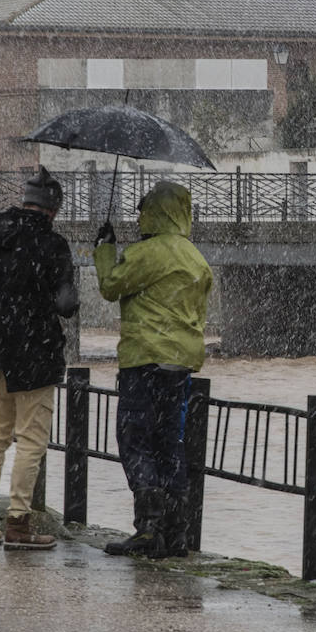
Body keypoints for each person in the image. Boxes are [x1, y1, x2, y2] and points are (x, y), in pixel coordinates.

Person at [94, 180, 213, 558]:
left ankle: (148, 527)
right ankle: (176, 532)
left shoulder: (149, 252)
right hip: (180, 363)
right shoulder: (196, 258)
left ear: (153, 212)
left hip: (144, 357)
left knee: (135, 438)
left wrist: (105, 250)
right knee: (168, 443)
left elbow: (112, 286)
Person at [0, 165, 79, 550]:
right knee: (31, 440)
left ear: (25, 201)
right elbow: (66, 306)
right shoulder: (53, 245)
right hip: (36, 353)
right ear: (53, 209)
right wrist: (67, 281)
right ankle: (18, 523)